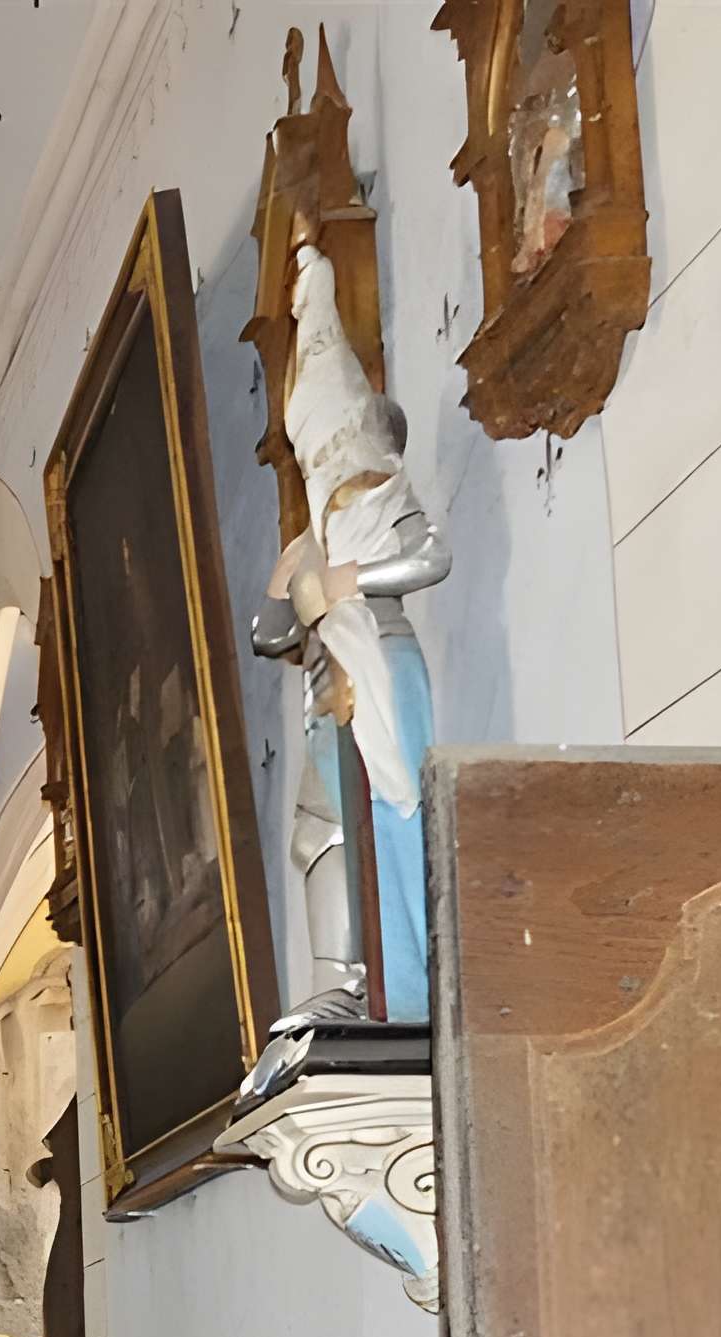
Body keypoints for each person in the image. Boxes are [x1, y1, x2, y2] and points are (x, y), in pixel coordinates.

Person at [252, 234, 449, 1025]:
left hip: (380, 666)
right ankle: (341, 983)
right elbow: (270, 638)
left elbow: (429, 556)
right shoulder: (316, 534)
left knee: (389, 823)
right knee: (316, 835)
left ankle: (395, 984)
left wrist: (348, 581)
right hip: (324, 685)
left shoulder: (380, 497)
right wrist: (288, 582)